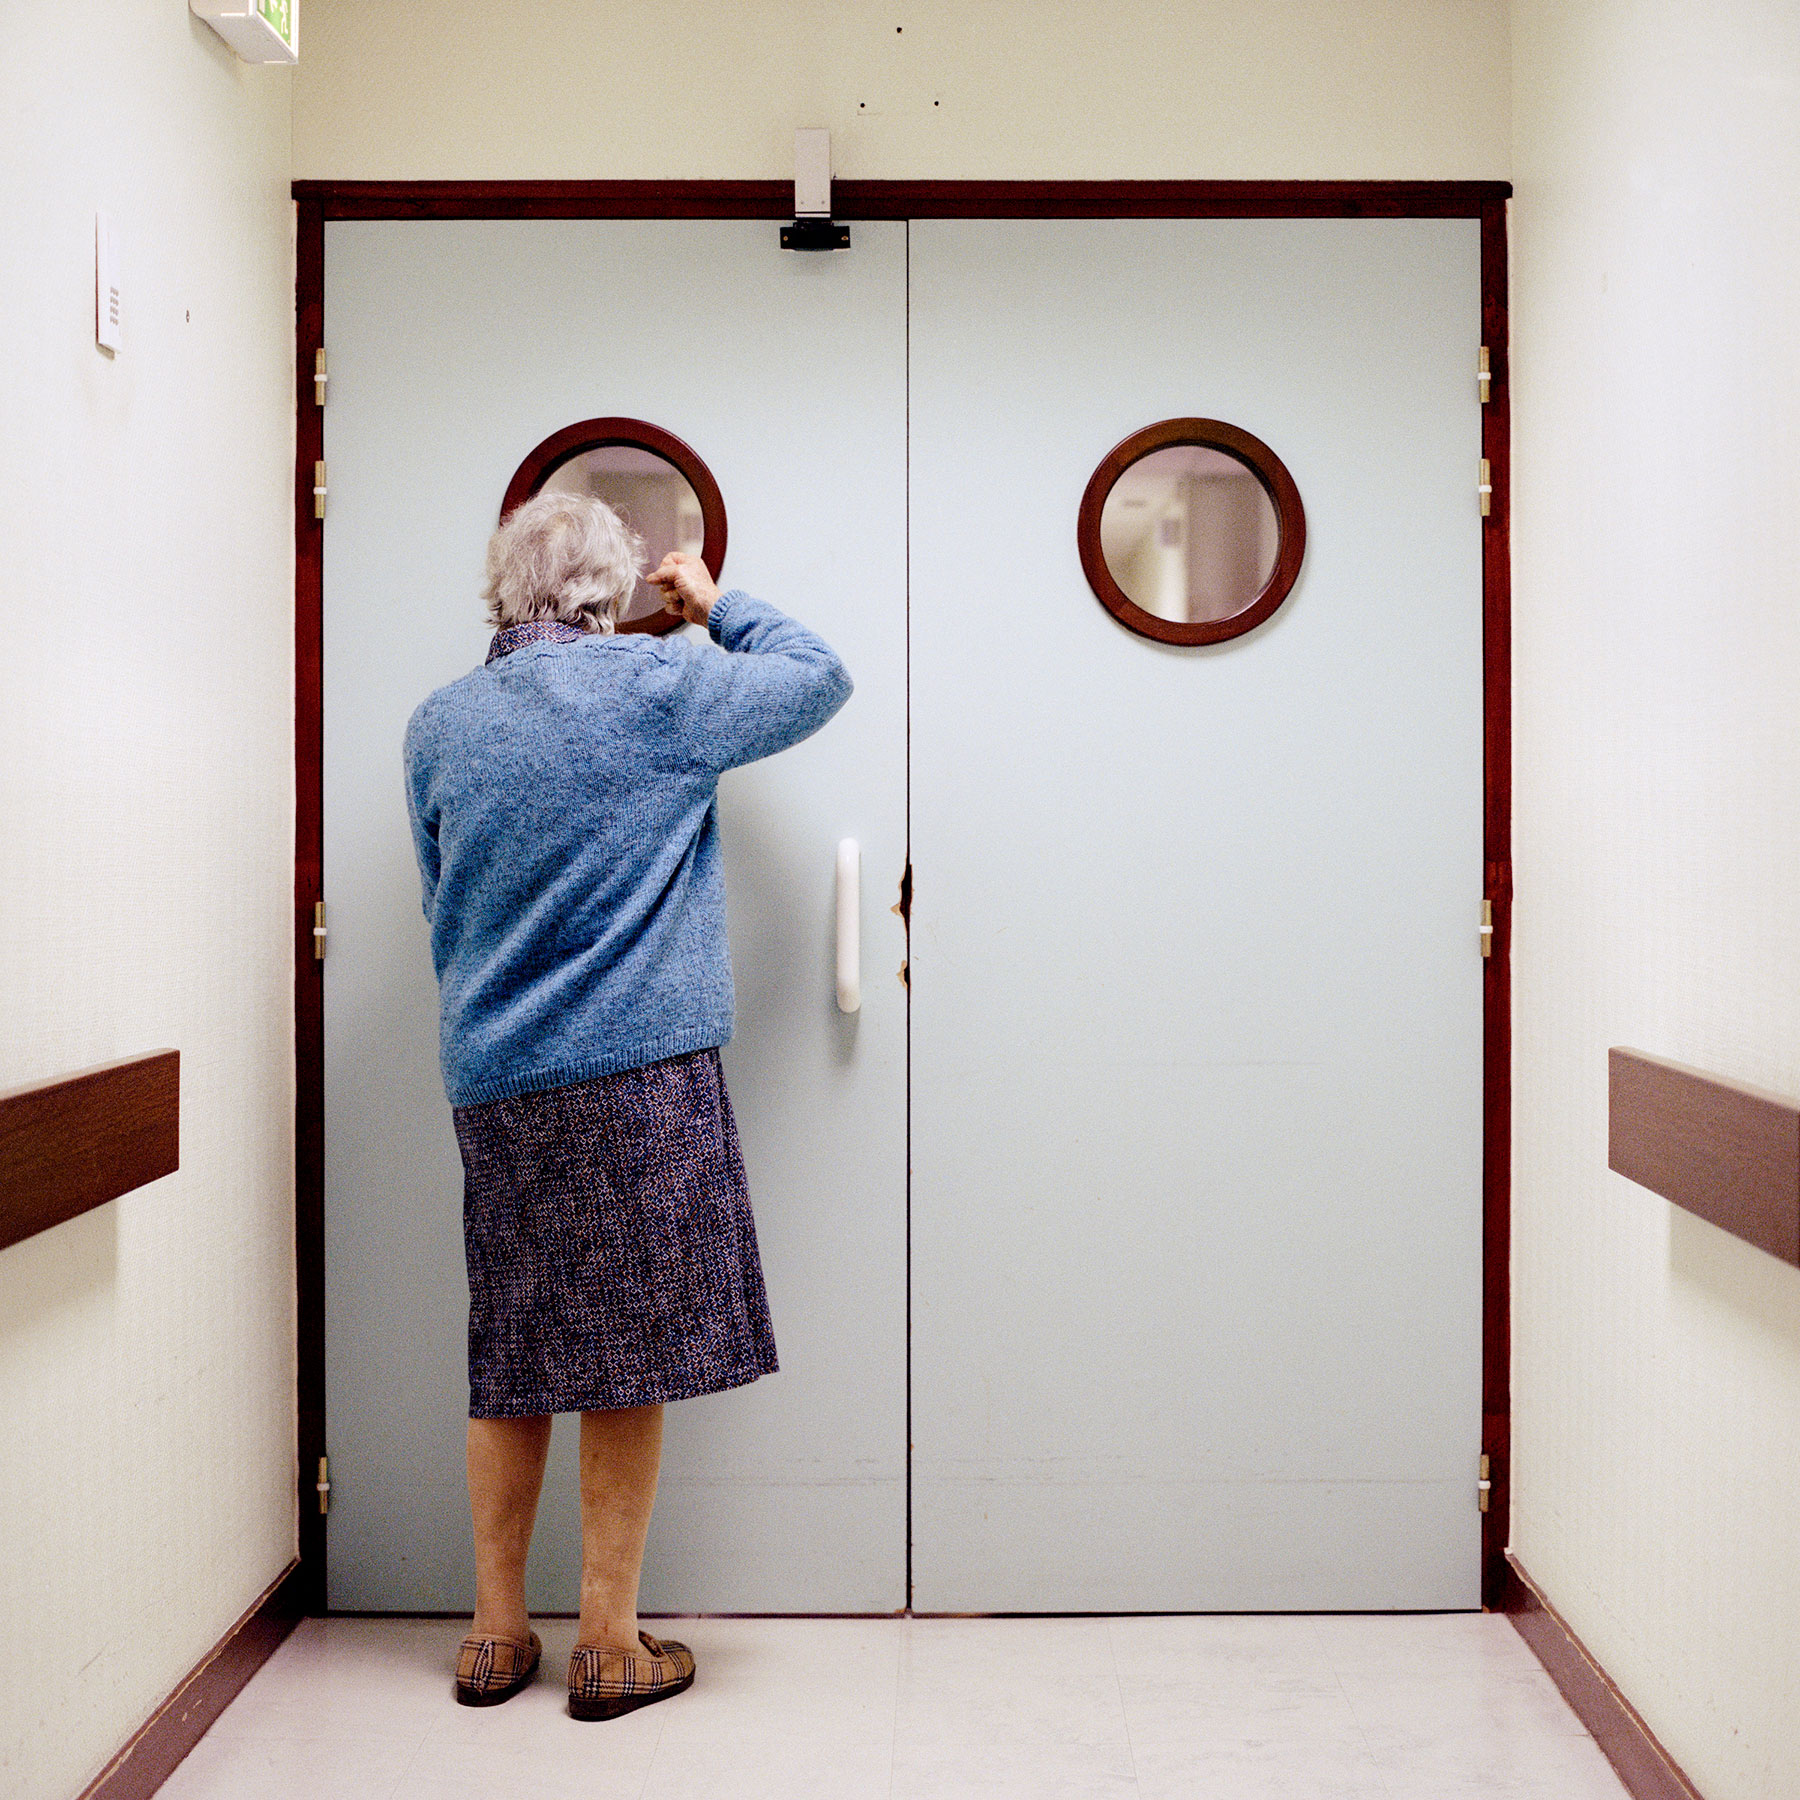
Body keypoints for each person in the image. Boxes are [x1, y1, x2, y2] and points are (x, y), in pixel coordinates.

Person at [402, 487, 851, 1721]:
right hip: (643, 1072)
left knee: (514, 1351)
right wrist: (715, 606)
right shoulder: (663, 689)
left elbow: (445, 898)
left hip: (496, 1080)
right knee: (627, 1350)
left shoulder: (438, 726)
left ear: (505, 593)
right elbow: (820, 678)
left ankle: (495, 1638)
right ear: (610, 596)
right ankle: (607, 1641)